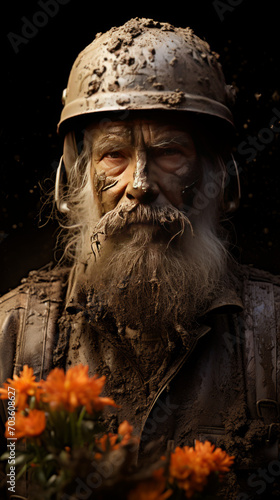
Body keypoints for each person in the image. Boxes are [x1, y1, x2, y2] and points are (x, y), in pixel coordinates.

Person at [0, 17, 279, 499]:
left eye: (170, 151)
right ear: (78, 178)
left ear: (216, 174)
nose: (141, 184)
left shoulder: (273, 331)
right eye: (115, 155)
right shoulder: (14, 335)